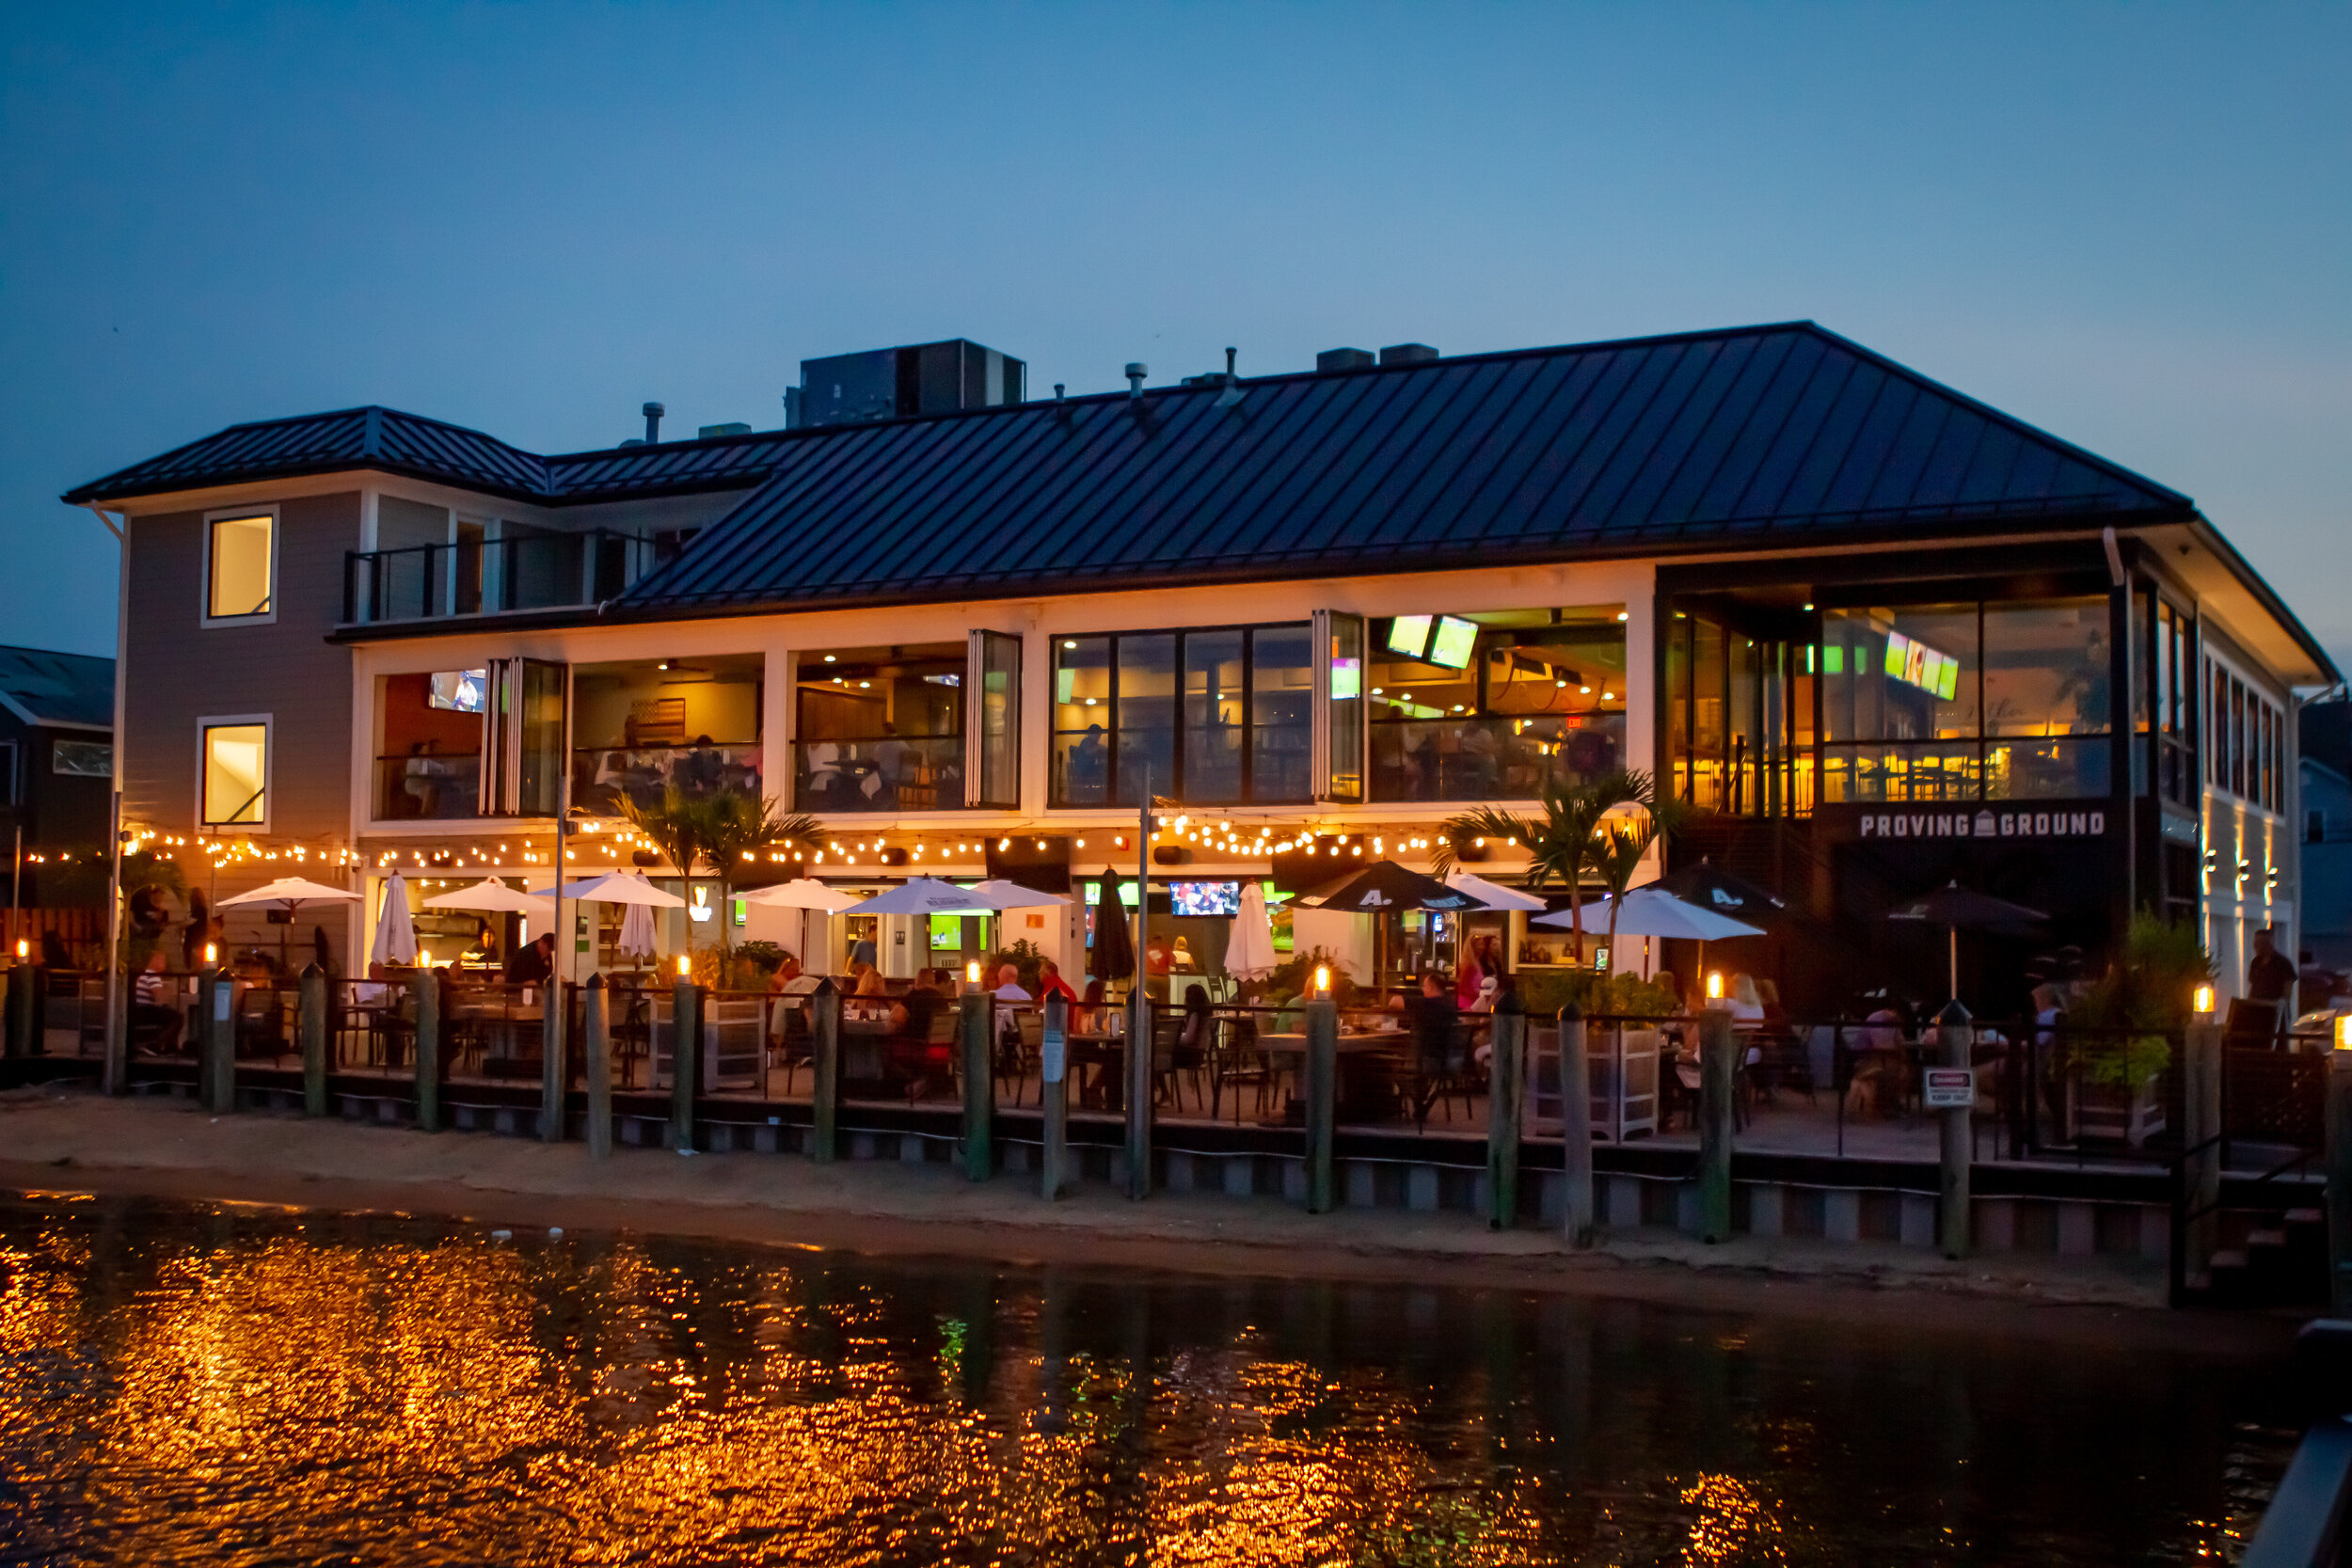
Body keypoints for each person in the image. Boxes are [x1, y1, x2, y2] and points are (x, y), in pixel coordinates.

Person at [130, 950, 183, 1053]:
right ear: (154, 960)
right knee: (178, 1017)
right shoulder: (152, 975)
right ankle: (155, 1044)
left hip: (140, 1010)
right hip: (145, 1011)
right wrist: (169, 990)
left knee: (170, 1015)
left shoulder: (145, 975)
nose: (165, 964)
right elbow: (160, 998)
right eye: (162, 960)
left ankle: (170, 1047)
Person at [2248, 926, 2297, 1006]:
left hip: (2276, 1012)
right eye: (2255, 944)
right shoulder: (2255, 962)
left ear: (2268, 945)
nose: (2255, 947)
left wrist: (2275, 1006)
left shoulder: (2283, 963)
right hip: (2257, 1011)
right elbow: (2253, 988)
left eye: (2258, 944)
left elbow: (2287, 994)